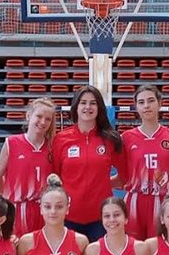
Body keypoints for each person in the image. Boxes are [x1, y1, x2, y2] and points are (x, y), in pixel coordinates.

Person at [51, 85, 123, 243]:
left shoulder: (110, 139)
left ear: (99, 108)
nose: (88, 107)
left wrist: (104, 183)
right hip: (67, 216)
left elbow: (125, 176)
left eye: (93, 103)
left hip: (101, 217)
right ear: (76, 107)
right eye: (83, 102)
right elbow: (54, 177)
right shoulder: (61, 139)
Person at [0, 97, 55, 237]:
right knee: (16, 247)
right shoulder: (12, 143)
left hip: (45, 209)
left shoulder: (53, 147)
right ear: (28, 115)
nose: (43, 122)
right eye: (39, 116)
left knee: (41, 248)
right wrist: (2, 203)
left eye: (48, 119)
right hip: (17, 209)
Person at [122, 85, 169, 240]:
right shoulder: (126, 137)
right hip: (135, 199)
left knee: (160, 246)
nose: (146, 106)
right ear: (136, 107)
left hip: (163, 199)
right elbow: (122, 172)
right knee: (135, 248)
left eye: (151, 101)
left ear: (159, 103)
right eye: (141, 102)